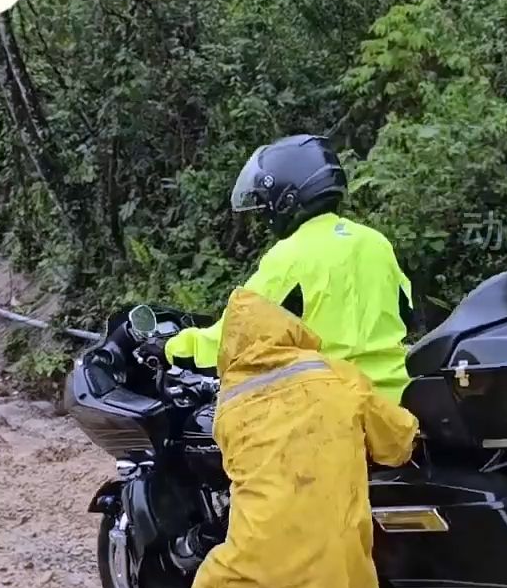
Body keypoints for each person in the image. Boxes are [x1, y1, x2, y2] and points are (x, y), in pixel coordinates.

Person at [153, 288, 419, 588]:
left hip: (257, 556)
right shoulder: (338, 376)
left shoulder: (231, 406)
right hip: (337, 554)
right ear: (289, 331)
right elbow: (398, 442)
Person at [163, 134, 413, 403]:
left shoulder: (290, 255)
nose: (264, 217)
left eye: (264, 207)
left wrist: (172, 348)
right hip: (397, 402)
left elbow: (235, 334)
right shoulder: (375, 241)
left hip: (334, 404)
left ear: (286, 199)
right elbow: (405, 314)